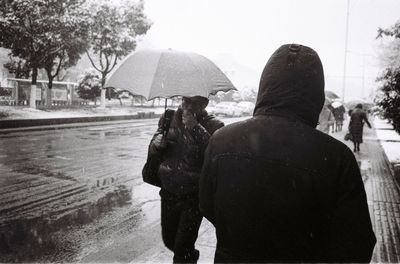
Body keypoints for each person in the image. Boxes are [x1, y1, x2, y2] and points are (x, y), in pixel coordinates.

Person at [199, 44, 376, 263]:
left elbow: (207, 204)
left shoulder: (222, 140)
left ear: (266, 86)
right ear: (314, 95)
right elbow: (357, 245)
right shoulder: (337, 158)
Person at [144, 96, 223, 263]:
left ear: (203, 104)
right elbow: (155, 142)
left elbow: (214, 154)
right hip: (169, 190)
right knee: (170, 240)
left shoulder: (214, 125)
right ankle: (189, 256)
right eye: (184, 100)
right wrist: (156, 144)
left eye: (192, 102)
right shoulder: (168, 117)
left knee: (181, 248)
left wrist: (196, 128)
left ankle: (186, 257)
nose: (186, 105)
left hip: (193, 196)